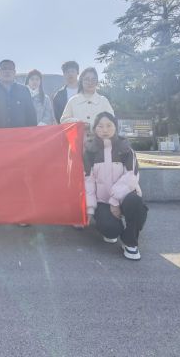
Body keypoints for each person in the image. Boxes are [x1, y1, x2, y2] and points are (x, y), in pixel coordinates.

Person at [84, 112, 148, 260]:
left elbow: (132, 177)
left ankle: (130, 242)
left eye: (109, 125)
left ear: (115, 127)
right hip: (102, 201)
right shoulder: (90, 151)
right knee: (110, 230)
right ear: (94, 129)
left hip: (125, 197)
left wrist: (115, 201)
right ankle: (113, 227)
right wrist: (90, 208)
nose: (105, 130)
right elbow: (88, 182)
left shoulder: (126, 149)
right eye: (100, 126)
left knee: (136, 203)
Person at [0, 60, 37, 129]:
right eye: (4, 68)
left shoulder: (24, 90)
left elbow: (31, 116)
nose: (7, 71)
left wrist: (32, 133)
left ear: (14, 73)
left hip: (20, 134)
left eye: (10, 69)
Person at [60, 67, 114, 141]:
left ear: (97, 81)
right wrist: (79, 123)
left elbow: (112, 121)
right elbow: (63, 120)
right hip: (77, 143)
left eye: (93, 79)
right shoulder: (73, 100)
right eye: (87, 79)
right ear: (81, 81)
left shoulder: (103, 101)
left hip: (99, 143)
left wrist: (91, 125)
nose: (90, 82)